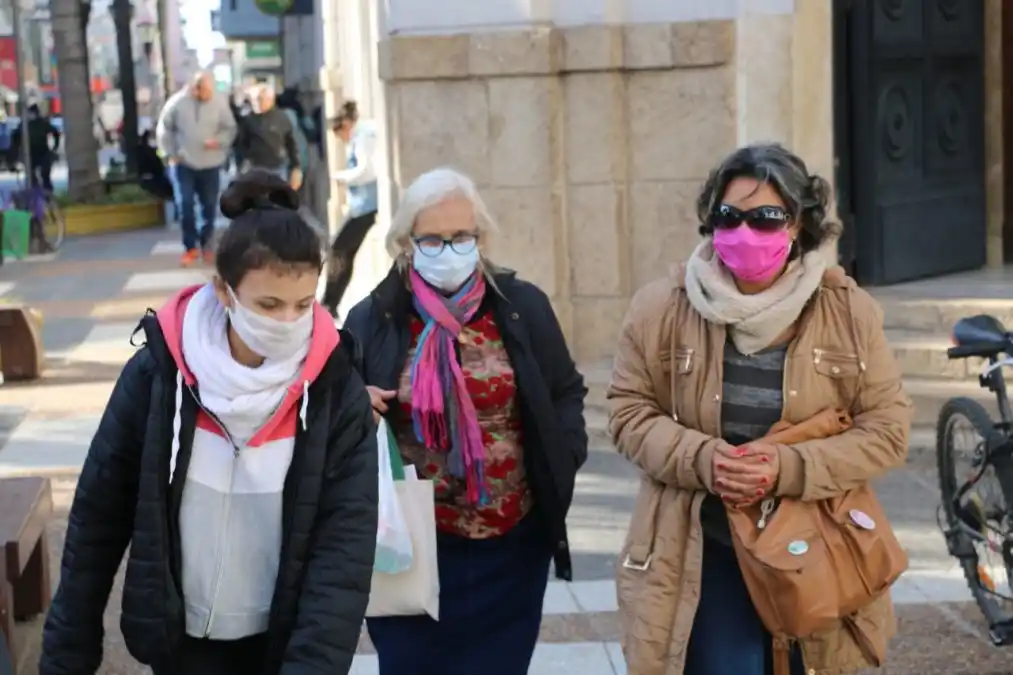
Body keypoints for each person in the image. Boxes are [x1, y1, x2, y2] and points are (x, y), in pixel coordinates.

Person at [39, 170, 379, 675]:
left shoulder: (334, 389)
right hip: (181, 643)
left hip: (281, 642)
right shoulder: (161, 372)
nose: (288, 323)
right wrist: (68, 653)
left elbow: (343, 553)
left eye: (303, 305)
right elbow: (98, 513)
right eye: (268, 304)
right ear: (224, 291)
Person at [608, 143, 912, 675]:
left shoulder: (848, 311)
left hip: (816, 545)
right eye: (730, 217)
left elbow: (887, 429)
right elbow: (628, 411)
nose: (745, 232)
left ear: (798, 225)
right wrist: (704, 459)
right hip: (703, 545)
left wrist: (786, 468)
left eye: (766, 218)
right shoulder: (662, 307)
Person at [344, 167, 588, 675]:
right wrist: (353, 406)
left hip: (511, 544)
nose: (449, 249)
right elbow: (333, 415)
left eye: (461, 237)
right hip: (411, 546)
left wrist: (562, 457)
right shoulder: (374, 319)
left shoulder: (521, 308)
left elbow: (564, 391)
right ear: (406, 243)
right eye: (432, 238)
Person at [156, 71, 237, 267]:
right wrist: (170, 154)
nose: (208, 94)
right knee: (185, 205)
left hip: (210, 163)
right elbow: (164, 129)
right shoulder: (177, 103)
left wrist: (218, 141)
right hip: (184, 163)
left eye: (211, 90)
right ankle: (190, 247)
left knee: (209, 206)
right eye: (205, 90)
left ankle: (206, 245)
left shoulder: (219, 103)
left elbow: (230, 128)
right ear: (195, 88)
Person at [321, 100, 378, 317]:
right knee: (344, 252)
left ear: (345, 126)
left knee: (338, 249)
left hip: (366, 206)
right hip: (362, 205)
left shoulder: (362, 136)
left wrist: (342, 177)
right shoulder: (363, 134)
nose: (342, 141)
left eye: (340, 135)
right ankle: (330, 302)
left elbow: (367, 170)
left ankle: (329, 302)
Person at [235, 84, 301, 190]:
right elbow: (241, 144)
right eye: (256, 99)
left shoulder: (282, 118)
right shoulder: (248, 120)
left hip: (277, 167)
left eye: (260, 99)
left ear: (271, 100)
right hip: (255, 168)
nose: (257, 102)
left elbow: (291, 144)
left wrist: (296, 167)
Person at [11, 103, 61, 190]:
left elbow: (55, 133)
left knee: (45, 174)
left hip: (42, 153)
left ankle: (47, 193)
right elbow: (16, 138)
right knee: (32, 176)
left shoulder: (42, 123)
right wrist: (15, 155)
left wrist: (55, 147)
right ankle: (36, 192)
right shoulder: (24, 124)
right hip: (30, 154)